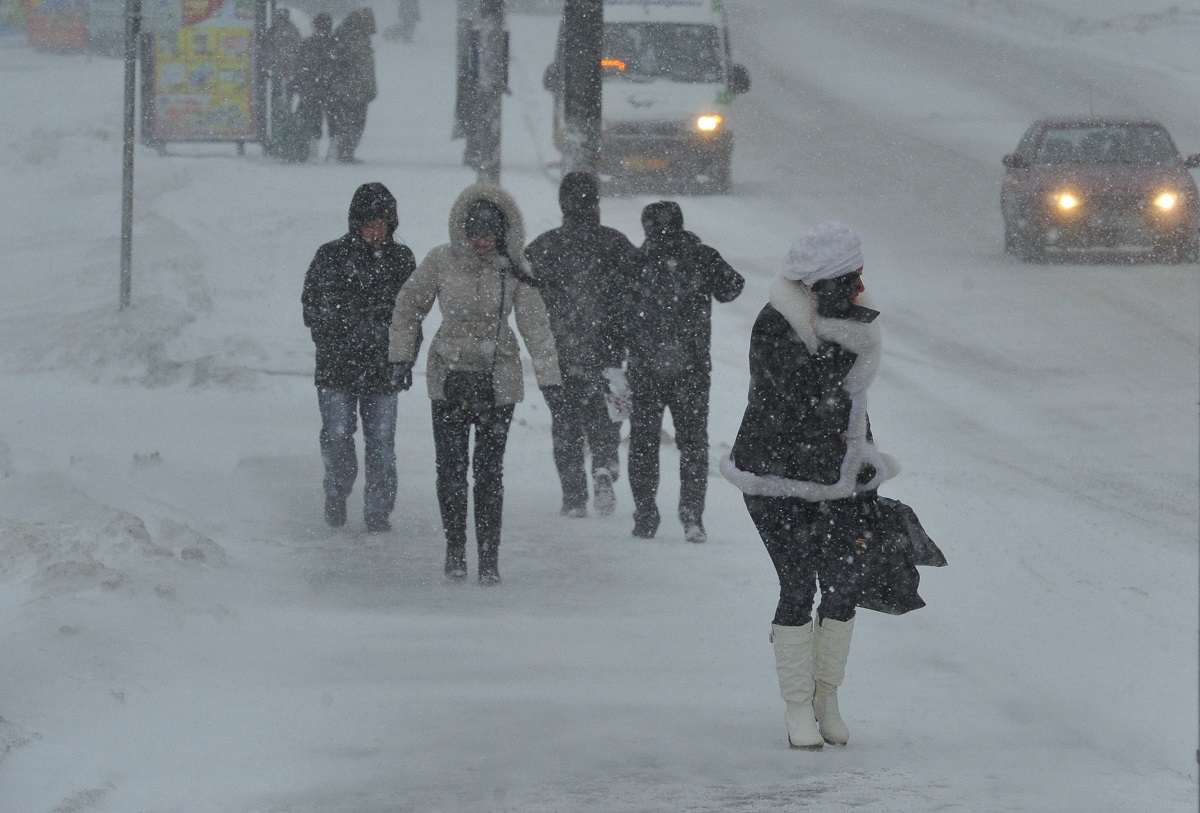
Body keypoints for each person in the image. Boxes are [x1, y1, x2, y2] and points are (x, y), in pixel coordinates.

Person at [719, 220, 898, 749]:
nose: (861, 285)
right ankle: (798, 705)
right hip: (775, 478)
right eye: (853, 276)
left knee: (842, 589)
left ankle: (827, 698)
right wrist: (851, 343)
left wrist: (865, 455)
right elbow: (795, 398)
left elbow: (850, 405)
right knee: (797, 585)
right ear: (826, 279)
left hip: (835, 479)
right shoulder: (778, 324)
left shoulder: (847, 326)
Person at [389, 184, 562, 584]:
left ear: (501, 232)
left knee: (488, 473)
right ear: (463, 231)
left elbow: (536, 325)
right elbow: (409, 303)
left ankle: (488, 557)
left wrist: (549, 378)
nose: (481, 243)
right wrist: (401, 356)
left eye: (488, 235)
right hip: (448, 375)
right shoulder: (441, 261)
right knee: (450, 471)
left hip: (497, 379)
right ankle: (455, 549)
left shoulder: (514, 268)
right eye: (474, 235)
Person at [617, 201, 744, 543]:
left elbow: (615, 315)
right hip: (692, 369)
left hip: (645, 370)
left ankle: (645, 516)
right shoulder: (701, 257)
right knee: (693, 444)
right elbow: (733, 287)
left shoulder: (635, 261)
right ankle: (692, 518)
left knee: (643, 444)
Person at [302, 182, 417, 532]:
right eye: (370, 223)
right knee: (337, 435)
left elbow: (411, 314)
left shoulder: (401, 259)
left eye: (383, 223)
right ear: (356, 222)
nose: (376, 231)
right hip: (337, 366)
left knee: (381, 442)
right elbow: (311, 305)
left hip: (383, 369)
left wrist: (404, 358)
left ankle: (378, 511)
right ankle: (337, 493)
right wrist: (336, 337)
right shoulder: (330, 256)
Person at [525, 172, 634, 518]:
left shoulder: (544, 247)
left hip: (561, 352)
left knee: (566, 425)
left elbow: (521, 284)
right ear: (596, 203)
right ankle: (603, 464)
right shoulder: (616, 244)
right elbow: (639, 287)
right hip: (608, 351)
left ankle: (573, 498)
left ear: (562, 204)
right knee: (606, 418)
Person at [329, 7, 377, 164]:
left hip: (351, 89)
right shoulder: (355, 40)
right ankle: (345, 152)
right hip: (354, 89)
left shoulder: (347, 37)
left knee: (350, 121)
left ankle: (344, 151)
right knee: (354, 122)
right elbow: (361, 68)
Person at [295, 12, 337, 161]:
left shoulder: (308, 43)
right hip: (331, 88)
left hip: (311, 88)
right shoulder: (335, 44)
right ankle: (332, 151)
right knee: (333, 119)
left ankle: (313, 151)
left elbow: (299, 66)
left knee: (313, 118)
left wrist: (301, 84)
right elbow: (341, 67)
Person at [263, 7, 302, 114]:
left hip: (282, 69)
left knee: (280, 92)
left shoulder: (273, 31)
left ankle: (281, 112)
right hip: (284, 69)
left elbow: (267, 50)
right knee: (282, 92)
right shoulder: (292, 30)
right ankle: (284, 112)